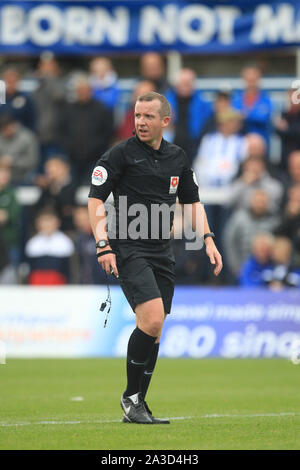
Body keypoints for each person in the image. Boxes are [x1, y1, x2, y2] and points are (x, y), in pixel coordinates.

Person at [88, 91, 222, 424]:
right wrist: (103, 244)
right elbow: (94, 200)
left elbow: (192, 202)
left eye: (148, 116)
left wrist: (207, 238)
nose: (141, 122)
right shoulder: (119, 155)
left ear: (165, 121)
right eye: (137, 116)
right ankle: (130, 398)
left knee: (156, 329)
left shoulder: (178, 157)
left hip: (162, 251)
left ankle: (139, 404)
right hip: (128, 247)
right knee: (150, 319)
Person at [60, 74, 113, 185]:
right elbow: (62, 131)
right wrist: (69, 147)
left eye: (85, 90)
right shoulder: (68, 110)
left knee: (94, 188)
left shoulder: (101, 109)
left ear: (91, 91)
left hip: (95, 159)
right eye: (79, 90)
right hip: (73, 159)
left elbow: (108, 132)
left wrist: (97, 147)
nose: (82, 93)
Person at [164, 68, 213, 162]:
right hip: (171, 145)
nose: (186, 86)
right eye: (183, 83)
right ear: (176, 85)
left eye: (189, 83)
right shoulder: (166, 101)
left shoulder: (202, 102)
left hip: (194, 145)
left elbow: (207, 125)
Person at [25, 209, 74, 285]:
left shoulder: (65, 242)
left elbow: (68, 270)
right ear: (38, 223)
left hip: (59, 284)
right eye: (44, 221)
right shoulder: (32, 243)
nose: (47, 224)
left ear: (57, 222)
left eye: (50, 220)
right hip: (37, 284)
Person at [232, 64, 273, 149]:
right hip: (240, 144)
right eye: (249, 80)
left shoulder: (266, 99)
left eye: (253, 79)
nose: (251, 83)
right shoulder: (236, 99)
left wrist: (244, 114)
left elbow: (263, 117)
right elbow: (233, 119)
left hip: (260, 145)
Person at [0, 113, 39, 185]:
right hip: (3, 175)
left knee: (33, 176)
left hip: (23, 174)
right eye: (3, 130)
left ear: (13, 125)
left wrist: (13, 162)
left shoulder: (28, 137)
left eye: (7, 129)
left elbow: (32, 161)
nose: (5, 133)